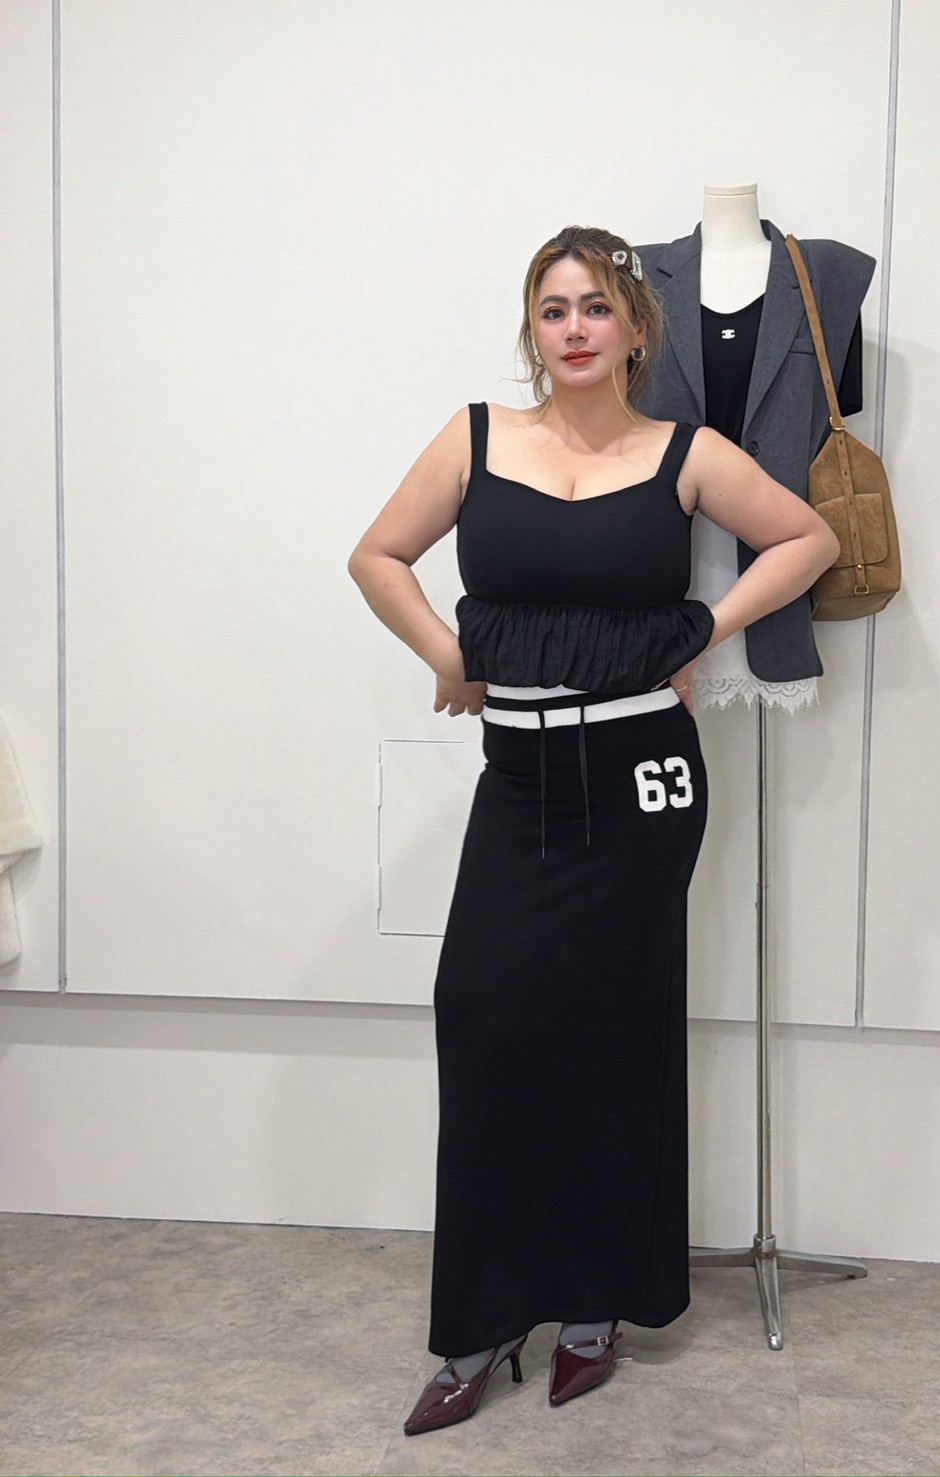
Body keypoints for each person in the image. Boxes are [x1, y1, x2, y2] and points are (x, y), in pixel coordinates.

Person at [346, 225, 839, 1435]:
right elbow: (377, 556)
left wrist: (703, 628)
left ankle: (592, 1305)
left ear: (633, 329)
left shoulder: (685, 452)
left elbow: (808, 538)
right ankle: (480, 1316)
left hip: (642, 778)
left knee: (613, 1036)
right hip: (519, 775)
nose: (574, 328)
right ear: (535, 329)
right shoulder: (475, 438)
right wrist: (450, 654)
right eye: (553, 308)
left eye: (595, 308)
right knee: (483, 1011)